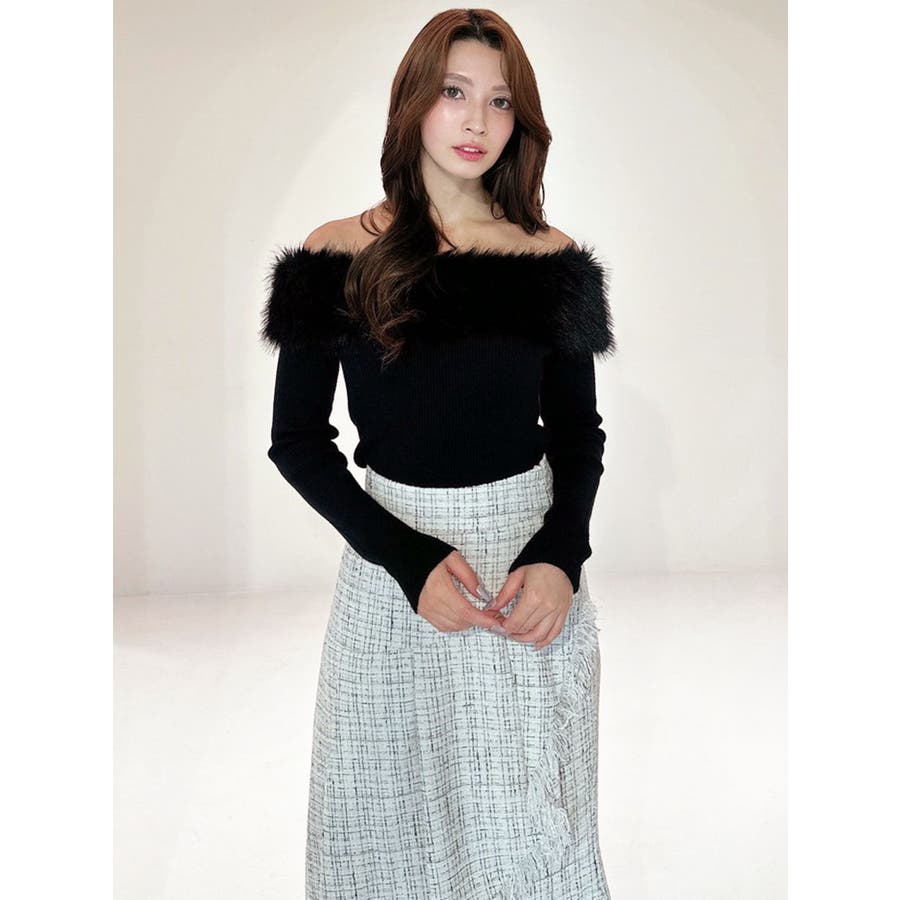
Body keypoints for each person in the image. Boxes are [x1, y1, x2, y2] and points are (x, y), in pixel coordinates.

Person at [259, 9, 616, 899]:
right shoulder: (336, 254)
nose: (475, 121)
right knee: (382, 832)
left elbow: (578, 435)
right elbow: (297, 442)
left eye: (500, 101)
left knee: (530, 840)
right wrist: (409, 561)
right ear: (413, 101)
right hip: (390, 571)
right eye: (454, 92)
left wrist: (560, 559)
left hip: (522, 575)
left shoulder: (549, 260)